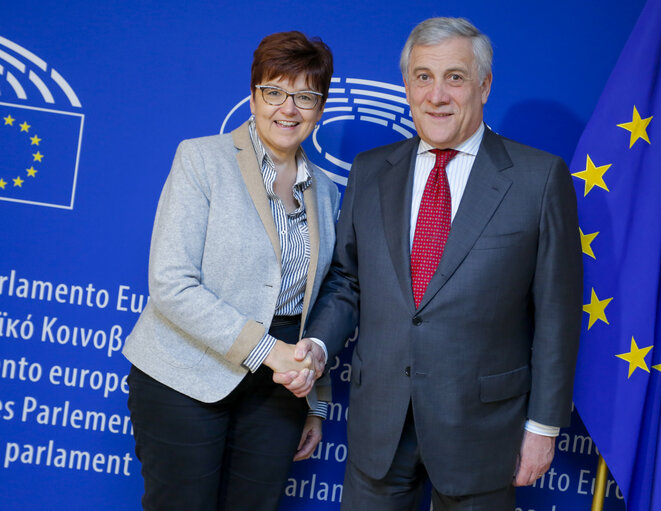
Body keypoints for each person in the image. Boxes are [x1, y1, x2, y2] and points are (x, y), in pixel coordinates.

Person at [290, 17, 583, 510]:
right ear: (407, 86)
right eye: (423, 76)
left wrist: (543, 426)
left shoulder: (539, 178)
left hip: (483, 432)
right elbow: (347, 281)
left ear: (484, 85)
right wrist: (318, 345)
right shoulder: (371, 170)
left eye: (455, 77)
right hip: (379, 425)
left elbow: (557, 313)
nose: (437, 95)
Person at [122, 31, 339, 511]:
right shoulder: (202, 159)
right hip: (185, 373)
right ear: (253, 94)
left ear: (319, 108)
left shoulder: (324, 190)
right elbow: (171, 284)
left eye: (305, 96)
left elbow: (315, 303)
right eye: (275, 91)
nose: (289, 109)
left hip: (278, 392)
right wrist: (267, 351)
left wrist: (312, 400)